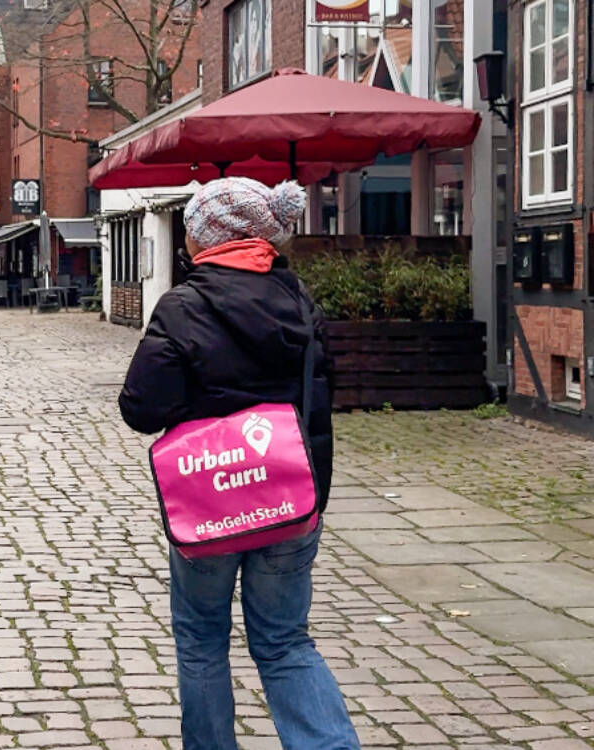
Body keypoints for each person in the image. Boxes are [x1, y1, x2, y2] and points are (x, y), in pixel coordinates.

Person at [119, 177, 360, 750]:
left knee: (202, 638)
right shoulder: (299, 301)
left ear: (204, 237)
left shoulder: (182, 307)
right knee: (285, 641)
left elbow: (140, 408)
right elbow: (323, 398)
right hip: (291, 497)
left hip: (210, 503)